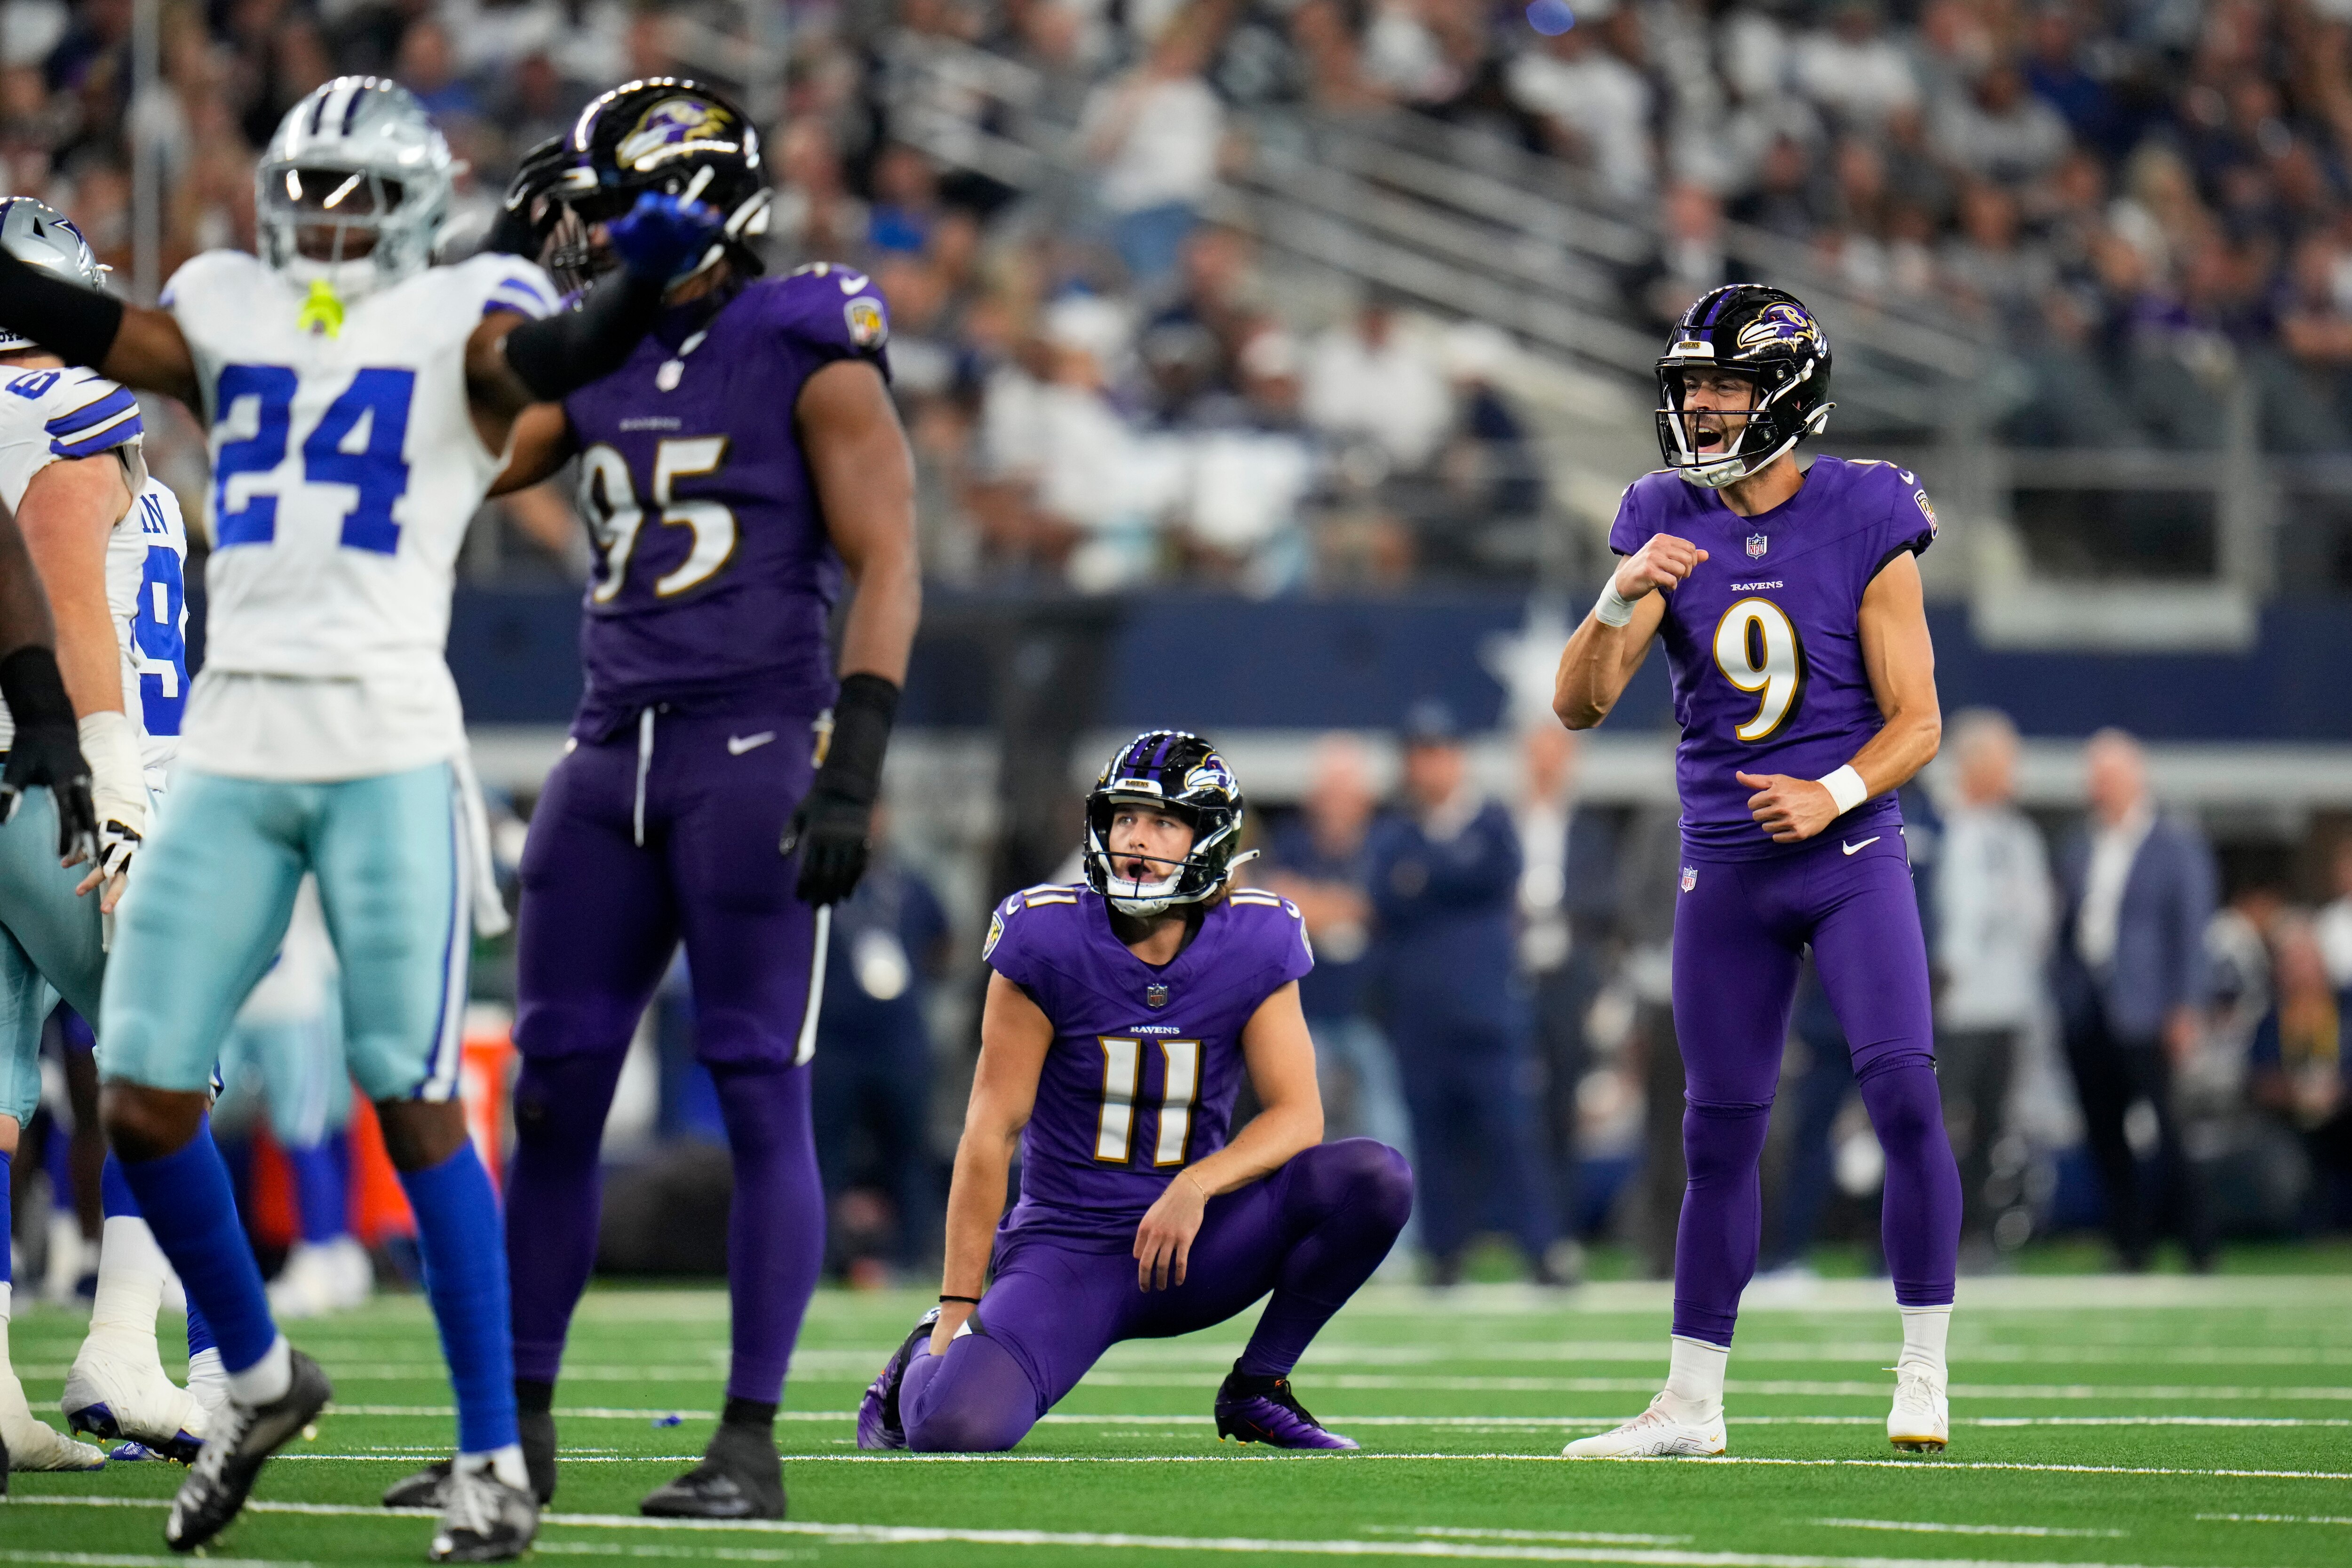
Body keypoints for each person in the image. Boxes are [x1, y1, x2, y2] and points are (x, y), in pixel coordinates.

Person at [0, 74, 722, 1557]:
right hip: (239, 740)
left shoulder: (465, 318)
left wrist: (643, 276)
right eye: (308, 189)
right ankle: (255, 1373)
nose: (326, 221)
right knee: (139, 1082)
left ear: (409, 210)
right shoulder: (226, 303)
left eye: (356, 194)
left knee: (411, 1090)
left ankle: (493, 1453)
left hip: (385, 741)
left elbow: (558, 353)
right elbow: (108, 333)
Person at [382, 80, 920, 1522]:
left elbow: (891, 553)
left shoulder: (803, 335)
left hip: (748, 753)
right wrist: (480, 299)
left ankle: (747, 1440)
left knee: (757, 1085)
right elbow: (447, 458)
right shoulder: (593, 351)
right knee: (549, 1095)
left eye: (617, 211)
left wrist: (852, 759)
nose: (591, 237)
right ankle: (515, 1432)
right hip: (605, 750)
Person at [1552, 283, 1959, 1457]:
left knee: (1901, 1091)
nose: (1705, 409)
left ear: (1784, 392)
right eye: (1693, 389)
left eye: (1726, 387)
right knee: (1717, 1133)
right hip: (1723, 870)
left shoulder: (1868, 508)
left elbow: (1918, 722)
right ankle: (1688, 1405)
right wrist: (1617, 592)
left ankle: (1923, 1369)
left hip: (1844, 855)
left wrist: (1830, 792)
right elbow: (1576, 705)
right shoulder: (1657, 511)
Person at [855, 732, 1412, 1454]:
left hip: (1194, 1244)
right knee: (956, 1430)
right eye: (1124, 818)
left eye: (1162, 822)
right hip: (1069, 1250)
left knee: (1373, 1178)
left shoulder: (1256, 937)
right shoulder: (1045, 937)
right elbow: (991, 1130)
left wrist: (1198, 1186)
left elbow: (1298, 1114)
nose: (1136, 840)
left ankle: (1259, 1386)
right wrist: (958, 1305)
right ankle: (917, 1362)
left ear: (1208, 840)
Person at [0, 199, 207, 1473]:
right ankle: (125, 1346)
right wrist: (114, 765)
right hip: (68, 780)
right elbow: (67, 560)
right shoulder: (68, 407)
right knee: (168, 1050)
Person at [1367, 700, 1558, 1285]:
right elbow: (1385, 893)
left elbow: (1488, 877)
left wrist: (1426, 878)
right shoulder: (1395, 832)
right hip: (1421, 1014)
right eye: (1418, 755)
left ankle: (1541, 1250)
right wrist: (1440, 877)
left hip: (1486, 1012)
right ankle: (1444, 1253)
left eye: (1437, 753)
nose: (1428, 767)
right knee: (1432, 1136)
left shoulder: (1491, 824)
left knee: (1510, 1134)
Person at [2051, 728, 2218, 1272]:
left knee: (2168, 1130)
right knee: (2103, 1131)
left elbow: (2190, 931)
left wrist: (2186, 1005)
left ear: (2132, 778)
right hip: (2088, 1007)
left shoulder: (2174, 844)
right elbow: (2068, 926)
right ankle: (2129, 1244)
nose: (2095, 788)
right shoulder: (2080, 845)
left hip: (2149, 1008)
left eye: (2105, 777)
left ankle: (2197, 1244)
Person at [215, 878, 370, 1319]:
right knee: (203, 1127)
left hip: (299, 993)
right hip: (233, 994)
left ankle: (323, 1255)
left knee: (307, 1129)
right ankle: (204, 1259)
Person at [811, 805, 951, 1283]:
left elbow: (942, 945)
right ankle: (820, 1258)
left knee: (909, 1154)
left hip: (899, 1044)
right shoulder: (813, 884)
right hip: (831, 1045)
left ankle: (913, 1259)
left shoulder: (909, 886)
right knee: (820, 1156)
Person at [1932, 709, 2053, 1259]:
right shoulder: (1941, 826)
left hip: (2007, 1002)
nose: (2015, 772)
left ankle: (1975, 1234)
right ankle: (1916, 1236)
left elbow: (2038, 920)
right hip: (1954, 1006)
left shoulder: (2020, 836)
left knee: (1990, 1126)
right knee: (1933, 1125)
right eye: (2005, 760)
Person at [1255, 732, 1411, 1156]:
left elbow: (1386, 902)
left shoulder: (1388, 843)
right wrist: (1347, 905)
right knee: (1302, 1123)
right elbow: (1277, 902)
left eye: (1347, 792)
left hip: (1373, 1010)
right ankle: (1306, 1219)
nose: (1337, 803)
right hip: (1306, 1010)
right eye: (1330, 792)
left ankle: (1397, 1221)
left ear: (1365, 797)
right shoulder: (1292, 842)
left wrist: (1316, 904)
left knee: (1385, 1124)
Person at [1513, 722, 1617, 1263]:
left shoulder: (1590, 832)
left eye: (1556, 756)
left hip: (1565, 983)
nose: (1546, 766)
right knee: (1507, 1108)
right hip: (1510, 982)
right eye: (1538, 755)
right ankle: (1509, 1229)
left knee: (1560, 1109)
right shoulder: (1504, 826)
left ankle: (1557, 1233)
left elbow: (1604, 906)